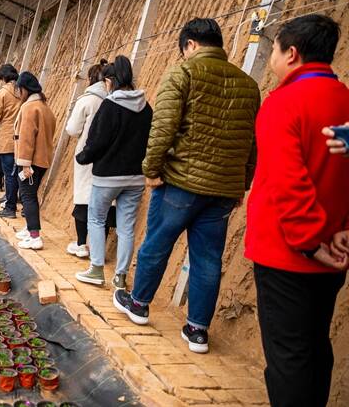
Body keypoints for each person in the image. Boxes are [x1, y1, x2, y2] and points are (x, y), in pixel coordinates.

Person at [113, 18, 260, 355]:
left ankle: (139, 304)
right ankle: (197, 330)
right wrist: (242, 183)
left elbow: (163, 128)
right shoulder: (248, 85)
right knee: (208, 259)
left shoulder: (183, 74)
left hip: (180, 183)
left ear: (190, 44)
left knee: (157, 244)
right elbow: (252, 143)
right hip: (223, 190)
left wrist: (150, 169)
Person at [243, 15, 349, 407]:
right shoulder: (344, 100)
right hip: (336, 250)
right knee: (315, 349)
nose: (271, 58)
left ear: (292, 53)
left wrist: (308, 242)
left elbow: (288, 181)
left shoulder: (283, 104)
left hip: (290, 253)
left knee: (288, 358)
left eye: (273, 50)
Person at [75, 56, 153, 289]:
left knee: (97, 219)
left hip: (107, 176)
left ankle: (97, 270)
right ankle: (120, 276)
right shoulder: (146, 107)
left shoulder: (110, 105)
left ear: (110, 80)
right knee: (126, 227)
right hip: (136, 177)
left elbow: (97, 140)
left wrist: (84, 157)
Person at [64, 60, 109, 257]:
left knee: (83, 200)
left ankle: (82, 244)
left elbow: (72, 129)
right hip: (108, 156)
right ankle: (98, 249)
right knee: (105, 205)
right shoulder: (113, 98)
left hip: (86, 154)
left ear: (91, 79)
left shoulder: (88, 99)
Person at [13, 72, 56, 250]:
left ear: (24, 89)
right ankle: (29, 227)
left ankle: (35, 236)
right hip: (43, 159)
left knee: (27, 196)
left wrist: (24, 163)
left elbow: (26, 138)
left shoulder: (29, 108)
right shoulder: (45, 107)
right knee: (31, 195)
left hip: (30, 160)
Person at [0, 64, 21, 219]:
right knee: (20, 173)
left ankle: (10, 207)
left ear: (3, 77)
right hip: (23, 136)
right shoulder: (23, 90)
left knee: (9, 174)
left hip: (7, 137)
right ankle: (15, 200)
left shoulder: (1, 92)